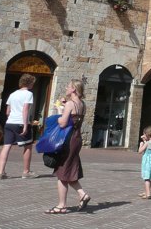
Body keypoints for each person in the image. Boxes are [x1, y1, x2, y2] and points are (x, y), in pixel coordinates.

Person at [45, 79, 91, 214]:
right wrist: (65, 108)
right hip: (77, 139)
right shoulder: (82, 104)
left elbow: (63, 123)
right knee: (69, 169)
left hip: (67, 140)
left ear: (74, 90)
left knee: (62, 172)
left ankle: (61, 206)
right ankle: (83, 194)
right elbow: (74, 119)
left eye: (68, 86)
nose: (66, 88)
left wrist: (59, 111)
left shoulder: (71, 104)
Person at [0, 73, 37, 179]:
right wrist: (25, 125)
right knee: (28, 146)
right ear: (29, 83)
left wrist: (12, 118)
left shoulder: (13, 94)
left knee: (6, 146)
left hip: (10, 123)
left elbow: (7, 111)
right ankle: (26, 171)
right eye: (33, 82)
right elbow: (25, 109)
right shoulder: (28, 94)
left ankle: (1, 172)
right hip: (20, 122)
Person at [138, 126, 151, 199]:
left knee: (146, 178)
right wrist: (145, 141)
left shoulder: (147, 143)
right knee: (148, 178)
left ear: (147, 134)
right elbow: (150, 147)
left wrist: (141, 144)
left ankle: (148, 194)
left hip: (147, 162)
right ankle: (146, 191)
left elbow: (140, 151)